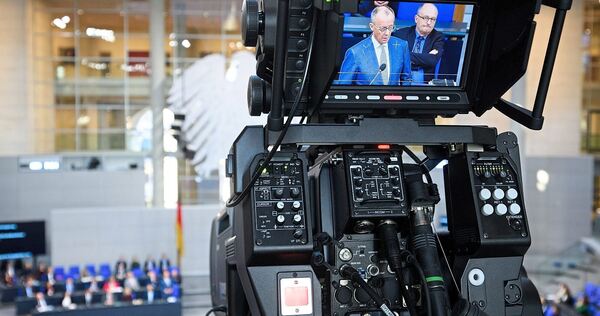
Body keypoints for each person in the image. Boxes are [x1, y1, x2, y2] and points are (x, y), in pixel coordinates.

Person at [338, 5, 411, 86]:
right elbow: (344, 86)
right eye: (383, 28)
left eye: (391, 27)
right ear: (372, 27)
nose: (387, 33)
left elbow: (406, 79)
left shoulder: (401, 46)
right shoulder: (355, 53)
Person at [394, 3, 444, 85]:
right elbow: (396, 58)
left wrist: (406, 56)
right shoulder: (401, 34)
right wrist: (425, 57)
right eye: (425, 18)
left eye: (433, 19)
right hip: (401, 79)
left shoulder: (437, 37)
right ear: (416, 18)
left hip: (423, 82)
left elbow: (432, 60)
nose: (429, 22)